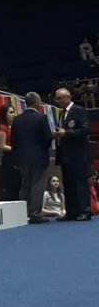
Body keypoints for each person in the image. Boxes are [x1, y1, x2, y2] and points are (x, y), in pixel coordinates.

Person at [10, 92, 53, 224]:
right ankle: (35, 214)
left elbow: (14, 141)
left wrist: (16, 158)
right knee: (37, 185)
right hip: (39, 156)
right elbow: (48, 138)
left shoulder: (17, 119)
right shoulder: (41, 118)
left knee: (25, 185)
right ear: (38, 102)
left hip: (22, 158)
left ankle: (23, 213)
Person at [53, 87, 91, 221]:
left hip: (77, 154)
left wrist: (66, 133)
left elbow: (84, 130)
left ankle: (84, 211)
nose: (57, 101)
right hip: (65, 155)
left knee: (79, 183)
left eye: (59, 98)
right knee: (68, 184)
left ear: (67, 97)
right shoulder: (62, 113)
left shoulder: (79, 110)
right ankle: (71, 211)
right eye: (56, 98)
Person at [0, 103, 20, 201]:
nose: (13, 114)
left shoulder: (12, 127)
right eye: (11, 112)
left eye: (14, 112)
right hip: (9, 158)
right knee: (11, 184)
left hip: (15, 156)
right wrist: (16, 149)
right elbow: (2, 146)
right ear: (4, 114)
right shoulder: (2, 127)